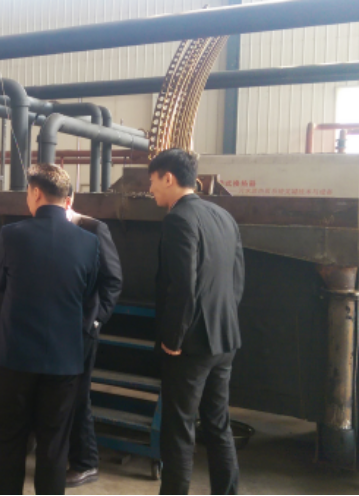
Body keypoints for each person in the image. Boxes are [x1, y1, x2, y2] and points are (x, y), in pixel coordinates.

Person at [0, 165, 100, 496]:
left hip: (16, 355)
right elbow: (88, 293)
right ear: (66, 197)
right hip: (64, 359)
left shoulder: (11, 234)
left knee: (11, 438)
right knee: (54, 444)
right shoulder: (89, 242)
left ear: (36, 193)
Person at [148, 149, 245, 496]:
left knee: (179, 431)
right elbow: (236, 281)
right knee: (218, 425)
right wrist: (222, 324)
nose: (151, 189)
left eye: (152, 181)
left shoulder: (178, 219)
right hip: (224, 340)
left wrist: (173, 339)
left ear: (168, 178)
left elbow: (183, 287)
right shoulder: (224, 216)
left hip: (190, 347)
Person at [64, 187, 123, 488]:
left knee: (77, 396)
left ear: (67, 201)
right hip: (53, 328)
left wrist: (97, 319)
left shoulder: (93, 228)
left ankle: (85, 463)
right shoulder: (43, 228)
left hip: (82, 330)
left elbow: (113, 279)